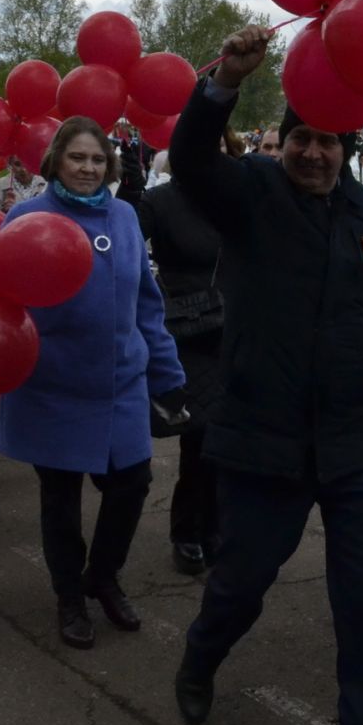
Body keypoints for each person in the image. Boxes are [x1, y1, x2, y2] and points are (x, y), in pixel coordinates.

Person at [168, 24, 363, 725]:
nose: (314, 153)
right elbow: (189, 162)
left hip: (354, 445)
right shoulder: (249, 194)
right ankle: (200, 657)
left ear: (348, 150)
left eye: (329, 142)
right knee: (242, 579)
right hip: (264, 439)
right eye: (300, 139)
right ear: (281, 143)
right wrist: (222, 84)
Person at [0, 118, 186, 648]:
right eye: (78, 157)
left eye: (98, 159)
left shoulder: (124, 216)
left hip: (121, 382)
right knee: (61, 499)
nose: (88, 167)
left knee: (132, 485)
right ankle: (68, 596)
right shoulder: (26, 216)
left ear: (111, 165)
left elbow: (147, 301)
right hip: (53, 385)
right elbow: (5, 304)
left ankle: (101, 577)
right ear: (56, 159)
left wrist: (168, 373)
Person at [125, 128, 236, 576]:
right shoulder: (161, 201)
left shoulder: (236, 198)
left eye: (221, 151)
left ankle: (221, 524)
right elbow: (126, 244)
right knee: (202, 438)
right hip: (190, 333)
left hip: (241, 329)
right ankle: (189, 531)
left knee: (234, 438)